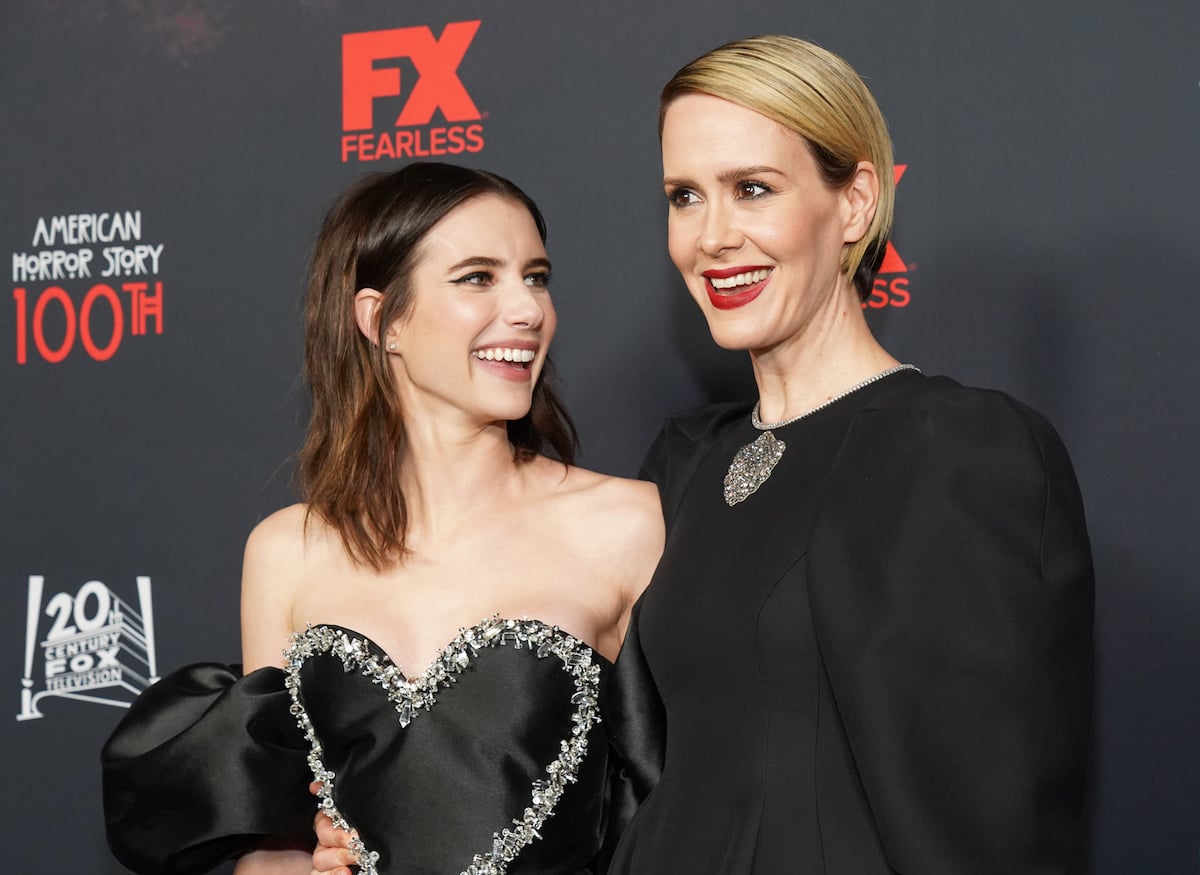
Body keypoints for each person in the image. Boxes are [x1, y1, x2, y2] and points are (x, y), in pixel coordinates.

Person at [307, 34, 1094, 875]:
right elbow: (601, 771)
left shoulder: (957, 447)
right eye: (685, 196)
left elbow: (989, 819)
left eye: (752, 189)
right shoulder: (688, 465)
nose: (712, 235)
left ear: (856, 203)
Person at [101, 162, 663, 875]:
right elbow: (268, 852)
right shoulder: (288, 551)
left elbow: (691, 809)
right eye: (478, 277)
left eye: (537, 277)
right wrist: (300, 865)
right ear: (383, 320)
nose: (527, 309)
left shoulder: (627, 525)